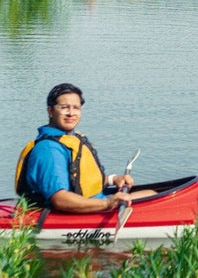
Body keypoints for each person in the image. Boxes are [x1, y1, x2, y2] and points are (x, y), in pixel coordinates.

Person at [14, 83, 154, 213]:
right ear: (50, 111)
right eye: (64, 107)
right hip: (79, 211)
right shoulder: (49, 150)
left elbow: (78, 179)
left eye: (76, 108)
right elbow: (59, 199)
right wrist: (107, 203)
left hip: (93, 202)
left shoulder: (70, 138)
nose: (71, 113)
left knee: (152, 194)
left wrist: (113, 180)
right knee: (153, 200)